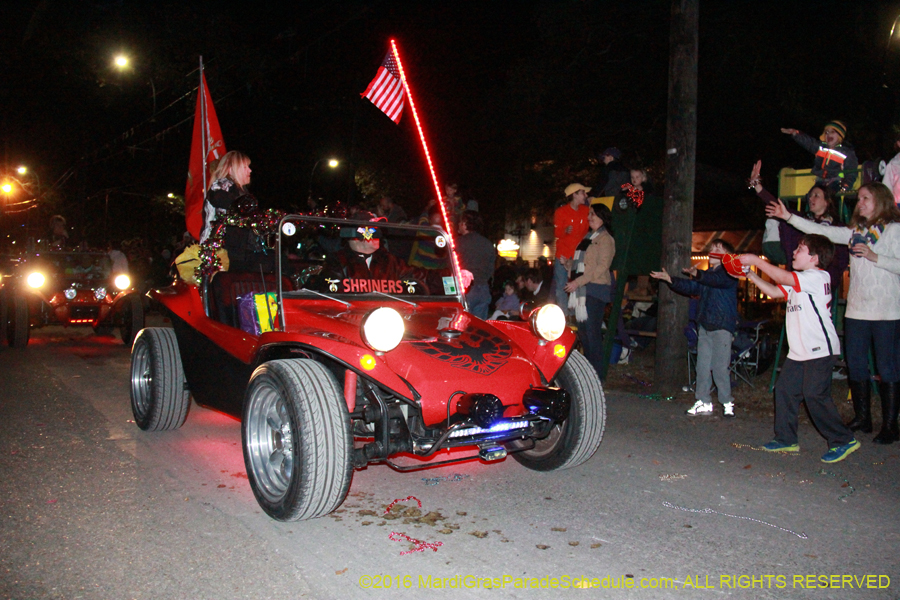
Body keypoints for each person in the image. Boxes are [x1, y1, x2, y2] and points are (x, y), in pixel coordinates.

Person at [766, 183, 900, 444]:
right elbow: (818, 230)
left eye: (865, 198)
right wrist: (788, 217)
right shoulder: (855, 233)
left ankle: (890, 425)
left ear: (881, 201)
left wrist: (875, 257)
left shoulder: (894, 231)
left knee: (887, 367)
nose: (859, 203)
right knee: (857, 366)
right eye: (859, 198)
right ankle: (863, 419)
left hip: (886, 311)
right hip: (857, 310)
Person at [740, 235, 860, 463]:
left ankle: (843, 439)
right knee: (784, 390)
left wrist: (756, 259)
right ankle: (786, 439)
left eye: (800, 249)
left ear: (814, 258)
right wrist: (750, 274)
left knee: (815, 395)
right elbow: (775, 291)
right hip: (799, 351)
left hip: (819, 349)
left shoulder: (817, 276)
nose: (794, 252)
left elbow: (783, 277)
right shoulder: (800, 281)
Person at [650, 239, 738, 418]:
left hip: (722, 325)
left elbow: (716, 280)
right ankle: (703, 401)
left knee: (720, 367)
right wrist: (670, 279)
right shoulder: (707, 275)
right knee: (703, 366)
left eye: (718, 249)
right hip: (705, 325)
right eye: (712, 248)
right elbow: (692, 286)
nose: (713, 250)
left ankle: (727, 402)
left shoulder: (729, 274)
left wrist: (698, 273)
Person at [749, 160, 849, 295]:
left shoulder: (838, 228)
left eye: (816, 195)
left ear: (827, 201)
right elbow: (778, 207)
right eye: (810, 196)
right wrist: (757, 185)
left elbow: (841, 260)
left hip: (819, 284)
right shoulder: (801, 220)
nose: (811, 199)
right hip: (798, 279)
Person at [564, 203, 615, 379]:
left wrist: (578, 281)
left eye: (593, 214)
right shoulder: (587, 237)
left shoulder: (606, 239)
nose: (589, 217)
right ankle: (589, 374)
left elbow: (601, 267)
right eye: (589, 214)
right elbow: (583, 264)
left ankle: (597, 376)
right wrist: (569, 264)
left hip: (595, 289)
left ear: (602, 216)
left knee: (592, 334)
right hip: (583, 290)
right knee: (584, 333)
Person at [781, 120, 858, 195]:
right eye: (826, 132)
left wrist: (846, 185)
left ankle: (830, 206)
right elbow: (809, 143)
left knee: (827, 196)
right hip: (820, 181)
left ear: (840, 135)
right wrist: (795, 133)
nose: (828, 135)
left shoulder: (846, 152)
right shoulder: (821, 148)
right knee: (811, 195)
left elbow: (851, 171)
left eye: (832, 132)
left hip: (836, 181)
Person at [552, 183, 591, 312]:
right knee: (561, 287)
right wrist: (564, 230)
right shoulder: (561, 212)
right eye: (583, 193)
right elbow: (556, 232)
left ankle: (575, 315)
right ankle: (563, 315)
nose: (585, 195)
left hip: (579, 256)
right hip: (563, 255)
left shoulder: (586, 211)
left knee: (578, 286)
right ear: (574, 194)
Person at [202, 150, 252, 243]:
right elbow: (227, 207)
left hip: (235, 247)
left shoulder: (243, 191)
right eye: (245, 167)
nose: (250, 170)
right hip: (216, 248)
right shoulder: (222, 186)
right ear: (231, 170)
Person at [456, 211, 496, 320]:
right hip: (483, 289)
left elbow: (448, 266)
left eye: (460, 222)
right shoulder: (487, 244)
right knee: (478, 327)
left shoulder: (457, 243)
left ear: (464, 223)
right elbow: (490, 269)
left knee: (460, 325)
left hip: (464, 289)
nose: (458, 225)